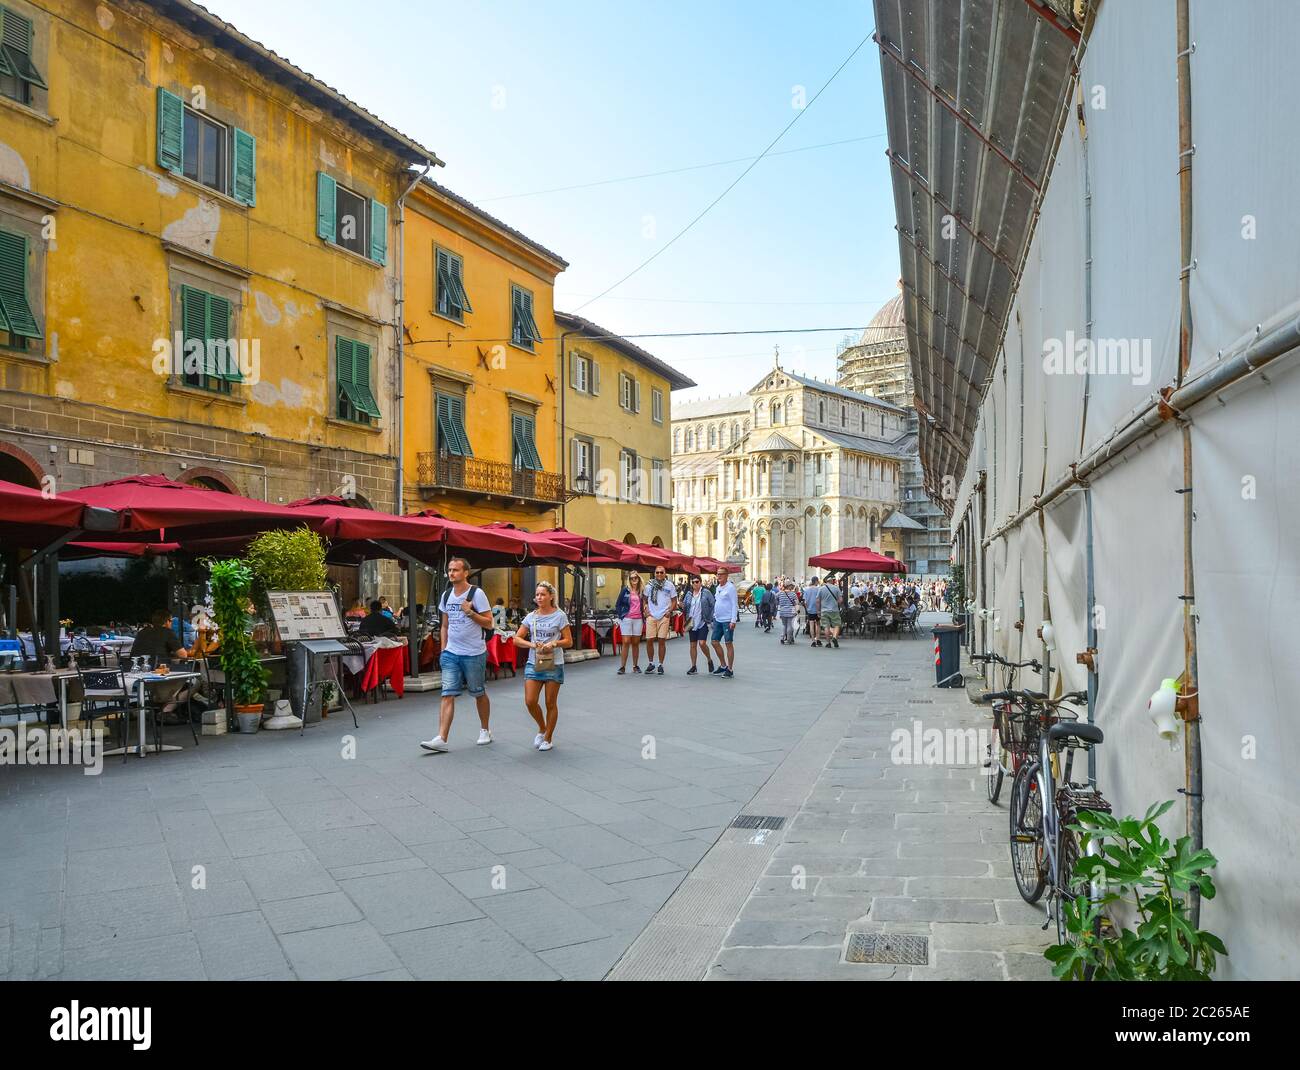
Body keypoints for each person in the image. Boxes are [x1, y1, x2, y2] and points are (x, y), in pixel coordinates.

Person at [421, 557, 493, 752]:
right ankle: (441, 738)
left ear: (465, 573)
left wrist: (470, 613)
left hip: (474, 653)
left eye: (456, 570)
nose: (451, 573)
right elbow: (445, 625)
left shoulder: (476, 594)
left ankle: (485, 729)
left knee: (478, 692)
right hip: (451, 652)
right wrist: (444, 649)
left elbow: (489, 623)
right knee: (447, 694)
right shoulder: (446, 595)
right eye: (450, 570)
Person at [514, 581, 572, 752]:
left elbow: (569, 641)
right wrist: (532, 645)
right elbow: (517, 639)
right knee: (530, 701)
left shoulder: (560, 616)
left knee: (550, 702)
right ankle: (542, 727)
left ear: (551, 596)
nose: (539, 597)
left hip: (554, 663)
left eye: (543, 594)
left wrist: (553, 644)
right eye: (537, 594)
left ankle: (548, 738)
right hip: (534, 662)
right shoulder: (531, 616)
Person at [642, 566, 677, 676]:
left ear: (665, 573)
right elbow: (644, 599)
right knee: (649, 640)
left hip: (664, 616)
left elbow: (674, 601)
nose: (659, 574)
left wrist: (669, 611)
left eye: (661, 572)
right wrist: (645, 610)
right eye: (657, 572)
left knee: (661, 640)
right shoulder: (649, 586)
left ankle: (660, 665)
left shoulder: (669, 585)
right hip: (651, 616)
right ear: (654, 573)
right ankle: (651, 663)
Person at [681, 574, 715, 675]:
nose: (695, 584)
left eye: (697, 582)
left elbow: (713, 604)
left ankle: (709, 659)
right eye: (693, 582)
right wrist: (682, 606)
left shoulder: (706, 592)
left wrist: (710, 618)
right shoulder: (689, 594)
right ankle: (693, 666)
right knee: (692, 645)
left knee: (702, 643)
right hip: (691, 622)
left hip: (702, 621)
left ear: (700, 582)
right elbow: (685, 607)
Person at [710, 566, 739, 678]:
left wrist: (733, 620)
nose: (719, 576)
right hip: (718, 619)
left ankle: (730, 669)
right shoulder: (718, 587)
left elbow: (734, 605)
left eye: (721, 574)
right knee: (714, 641)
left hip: (727, 620)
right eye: (718, 574)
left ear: (726, 575)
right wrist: (714, 616)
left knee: (728, 643)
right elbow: (718, 602)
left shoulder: (730, 588)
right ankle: (723, 665)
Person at [614, 572, 646, 674]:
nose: (634, 579)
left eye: (636, 577)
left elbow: (646, 603)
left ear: (639, 578)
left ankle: (635, 666)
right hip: (626, 618)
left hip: (638, 619)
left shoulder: (642, 591)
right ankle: (622, 667)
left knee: (636, 643)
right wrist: (621, 615)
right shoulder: (625, 590)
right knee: (626, 641)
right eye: (632, 578)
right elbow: (618, 604)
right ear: (629, 580)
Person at [818, 578, 844, 649]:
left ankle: (828, 643)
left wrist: (818, 611)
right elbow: (841, 600)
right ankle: (835, 637)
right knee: (837, 625)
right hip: (834, 610)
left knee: (826, 627)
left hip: (824, 610)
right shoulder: (836, 588)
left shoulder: (821, 589)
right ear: (832, 581)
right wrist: (836, 603)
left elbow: (818, 600)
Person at [776, 580, 799, 645]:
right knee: (790, 625)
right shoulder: (793, 594)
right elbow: (797, 603)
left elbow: (775, 597)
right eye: (791, 586)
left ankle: (782, 638)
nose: (792, 587)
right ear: (789, 586)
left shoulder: (780, 593)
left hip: (782, 611)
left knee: (784, 625)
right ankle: (789, 639)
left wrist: (780, 603)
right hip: (791, 611)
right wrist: (797, 611)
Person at [803, 576, 822, 646]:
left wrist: (807, 608)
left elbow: (805, 602)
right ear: (816, 581)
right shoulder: (819, 589)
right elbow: (820, 600)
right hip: (817, 610)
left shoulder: (807, 590)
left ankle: (813, 641)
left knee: (811, 625)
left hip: (810, 610)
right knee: (818, 624)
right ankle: (818, 639)